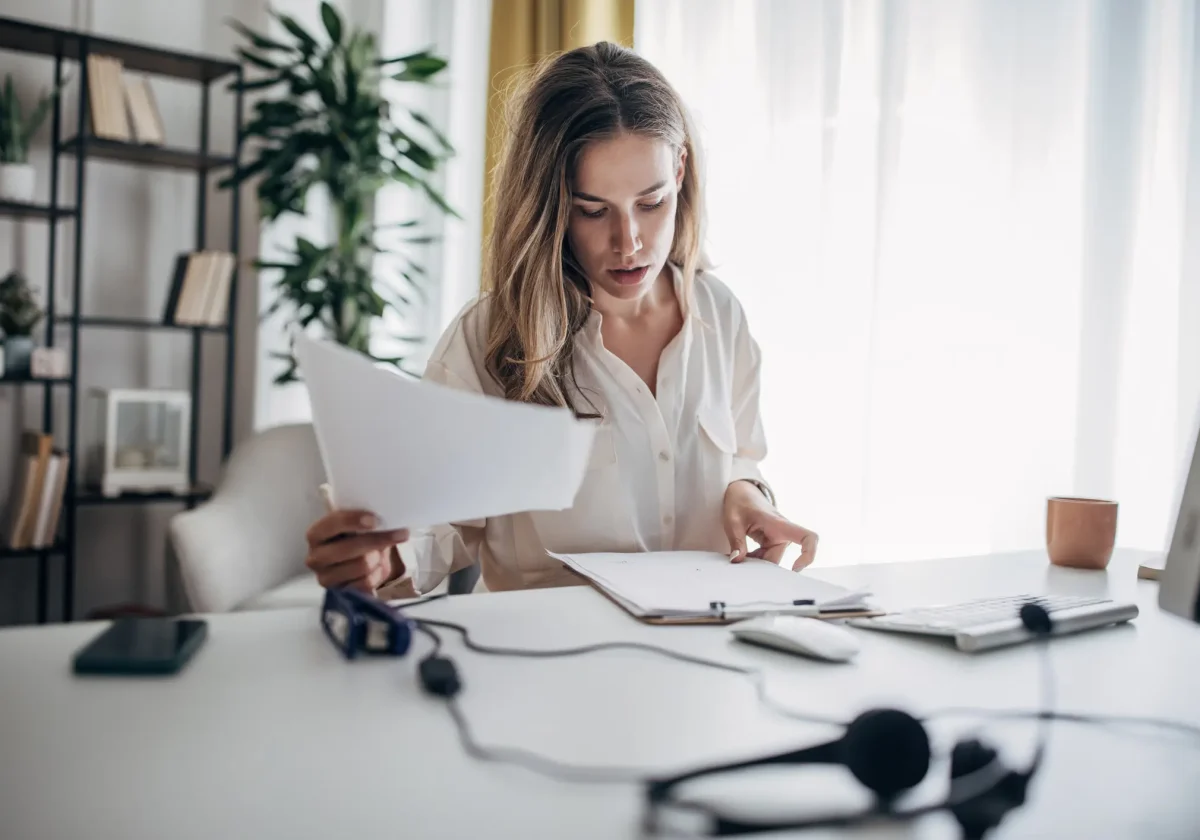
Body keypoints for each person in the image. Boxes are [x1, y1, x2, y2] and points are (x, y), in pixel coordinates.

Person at [304, 41, 818, 599]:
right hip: (547, 663)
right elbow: (436, 522)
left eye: (652, 203)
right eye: (592, 211)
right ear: (550, 204)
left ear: (681, 169)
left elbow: (742, 456)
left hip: (703, 655)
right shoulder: (489, 338)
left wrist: (746, 495)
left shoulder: (721, 314)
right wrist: (384, 559)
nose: (630, 243)